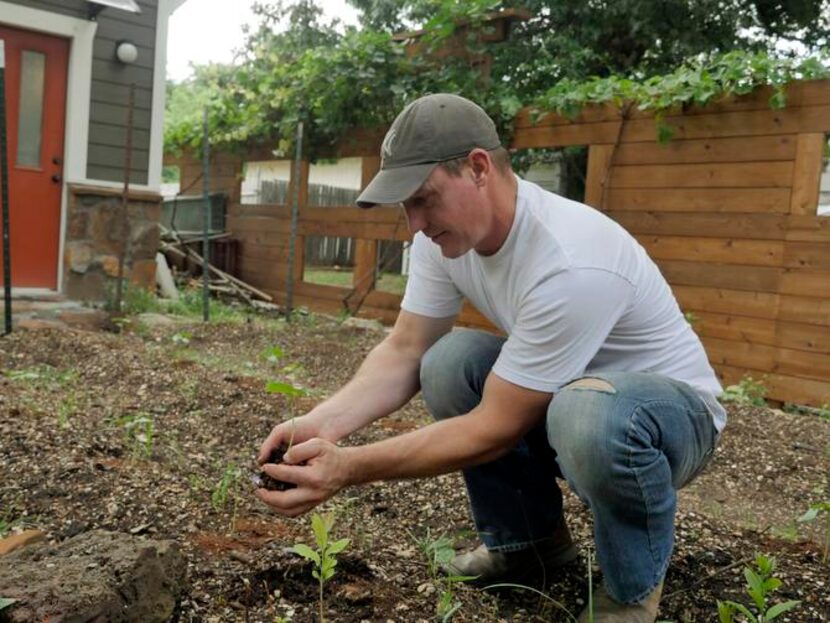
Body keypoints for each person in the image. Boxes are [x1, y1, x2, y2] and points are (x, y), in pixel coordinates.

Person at [256, 93, 725, 623]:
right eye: (405, 206)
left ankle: (631, 590)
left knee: (587, 411)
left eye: (423, 198)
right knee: (449, 358)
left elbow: (496, 427)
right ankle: (529, 547)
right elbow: (407, 349)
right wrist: (317, 425)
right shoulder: (441, 241)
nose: (414, 223)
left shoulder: (570, 259)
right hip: (572, 406)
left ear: (478, 168)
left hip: (668, 421)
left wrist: (349, 468)